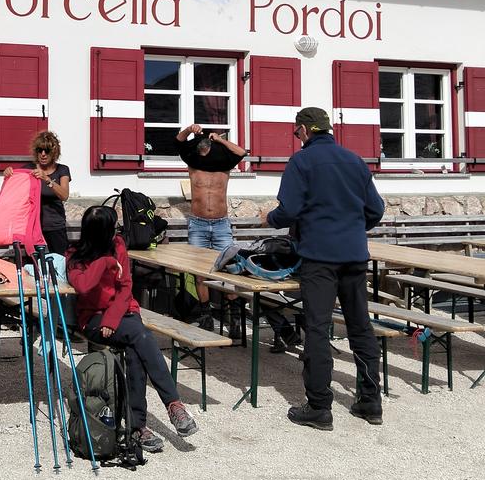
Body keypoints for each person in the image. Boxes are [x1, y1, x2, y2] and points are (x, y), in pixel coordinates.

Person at [261, 107, 385, 430]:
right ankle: (370, 402)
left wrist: (270, 219)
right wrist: (353, 227)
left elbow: (288, 210)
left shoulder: (301, 162)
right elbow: (376, 209)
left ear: (303, 130)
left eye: (295, 132)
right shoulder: (355, 161)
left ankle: (318, 406)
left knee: (317, 328)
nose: (295, 138)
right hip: (355, 255)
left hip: (319, 257)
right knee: (360, 327)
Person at [66, 205, 198, 452]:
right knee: (141, 337)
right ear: (100, 232)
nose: (117, 230)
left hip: (122, 313)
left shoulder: (118, 245)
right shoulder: (75, 255)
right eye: (113, 226)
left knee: (136, 345)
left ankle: (140, 426)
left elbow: (126, 287)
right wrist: (104, 262)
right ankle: (167, 408)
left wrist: (111, 320)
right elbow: (83, 287)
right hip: (92, 319)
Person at [176, 123, 247, 335]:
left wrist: (220, 139)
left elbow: (242, 152)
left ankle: (233, 318)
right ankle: (206, 315)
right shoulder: (193, 162)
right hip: (198, 224)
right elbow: (178, 142)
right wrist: (189, 130)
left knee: (230, 271)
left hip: (221, 224)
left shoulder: (224, 164)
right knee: (200, 273)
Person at [2, 130, 70, 255]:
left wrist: (47, 179)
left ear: (54, 152)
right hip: (32, 226)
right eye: (40, 150)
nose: (43, 154)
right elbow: (15, 193)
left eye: (47, 151)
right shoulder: (28, 169)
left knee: (59, 262)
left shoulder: (62, 169)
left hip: (54, 225)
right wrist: (8, 174)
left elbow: (64, 195)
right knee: (33, 265)